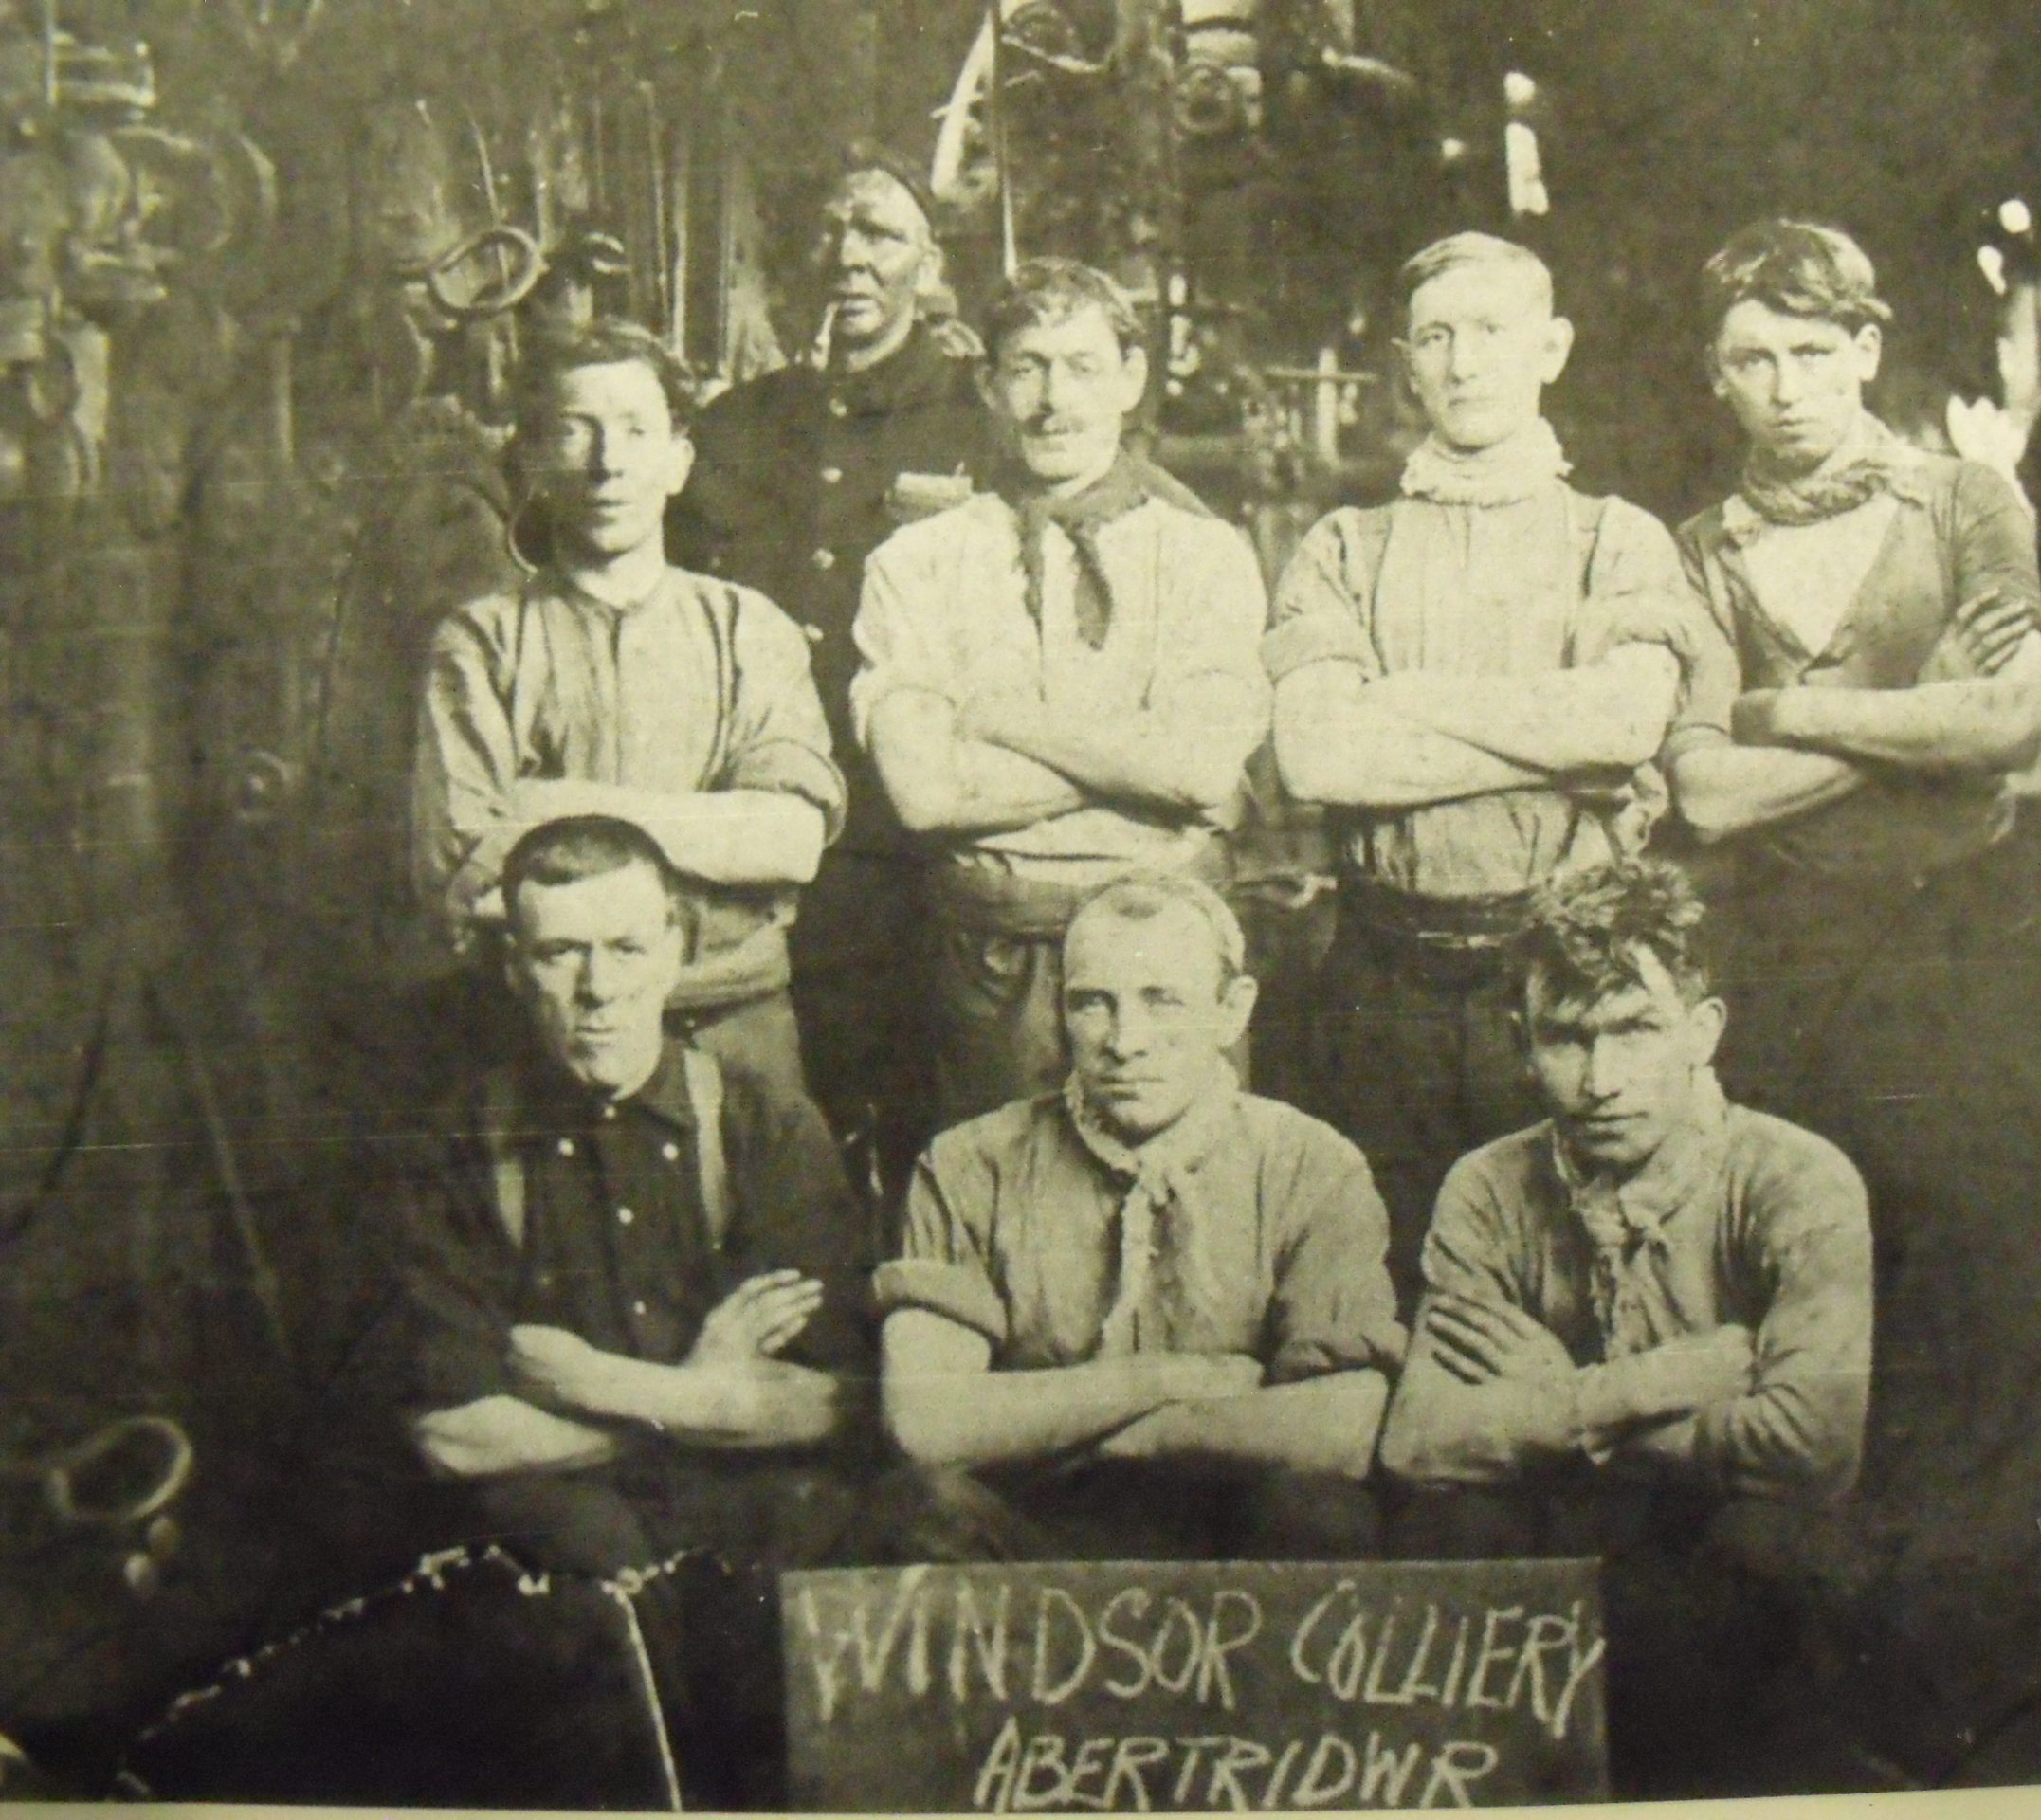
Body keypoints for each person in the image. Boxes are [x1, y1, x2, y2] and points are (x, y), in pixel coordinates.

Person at [1264, 230, 1718, 1298]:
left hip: (1566, 977)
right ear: (1404, 363)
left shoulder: (1617, 539)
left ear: (1551, 348)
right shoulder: (1343, 547)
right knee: (1390, 1273)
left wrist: (1399, 698)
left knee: (1575, 1267)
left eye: (1491, 332)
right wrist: (1545, 740)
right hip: (1382, 979)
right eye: (1436, 338)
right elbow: (1316, 754)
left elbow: (1620, 725)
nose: (1463, 364)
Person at [1378, 860, 1872, 1792]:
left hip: (1713, 1546)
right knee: (1443, 1531)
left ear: (1702, 1032)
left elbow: (1811, 1448)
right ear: (1524, 1045)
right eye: (1568, 1038)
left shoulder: (1796, 1177)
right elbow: (1417, 1444)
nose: (1601, 1081)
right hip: (1555, 1530)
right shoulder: (1485, 1186)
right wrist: (1639, 1387)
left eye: (1635, 1031)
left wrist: (1548, 1409)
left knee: (1767, 1551)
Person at [390, 816, 874, 1577]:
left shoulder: (766, 1124)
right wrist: (697, 1399)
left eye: (627, 949)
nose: (599, 990)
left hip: (752, 1526)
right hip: (566, 1547)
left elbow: (832, 1406)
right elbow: (451, 1439)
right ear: (515, 968)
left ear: (677, 950)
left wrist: (594, 1384)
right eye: (560, 954)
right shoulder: (458, 1145)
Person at [872, 872, 1404, 1560]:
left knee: (1323, 1515)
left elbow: (1345, 1426)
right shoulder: (969, 1163)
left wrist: (1142, 1438)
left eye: (1162, 1001)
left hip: (1233, 1541)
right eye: (1093, 1003)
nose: (1125, 1042)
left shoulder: (1311, 1163)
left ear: (1232, 1011)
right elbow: (925, 1423)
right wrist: (1173, 1380)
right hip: (1033, 1540)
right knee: (921, 1512)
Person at [853, 258, 1269, 1126]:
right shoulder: (917, 562)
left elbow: (1198, 769)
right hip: (992, 970)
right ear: (989, 386)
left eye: (1082, 367)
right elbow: (925, 795)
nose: (1054, 401)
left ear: (1131, 377)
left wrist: (1001, 722)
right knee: (1005, 1185)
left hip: (1169, 954)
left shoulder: (1205, 555)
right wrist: (1135, 767)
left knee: (1186, 1186)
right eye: (1028, 368)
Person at [1663, 219, 2041, 1115]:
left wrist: (1783, 715)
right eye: (1753, 360)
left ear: (1866, 351)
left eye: (1813, 353)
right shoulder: (1702, 551)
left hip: (1969, 934)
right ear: (1716, 374)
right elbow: (1709, 796)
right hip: (1785, 955)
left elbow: (2008, 724)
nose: (1786, 390)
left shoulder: (1965, 500)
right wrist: (1926, 710)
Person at [676, 144, 993, 1208]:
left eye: (880, 234)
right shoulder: (735, 424)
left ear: (928, 262)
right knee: (769, 1120)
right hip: (760, 827)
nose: (850, 258)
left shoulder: (979, 421)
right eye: (831, 233)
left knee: (916, 1126)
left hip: (908, 844)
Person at [413, 321, 845, 1100]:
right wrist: (715, 831)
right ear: (533, 460)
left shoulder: (749, 629)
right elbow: (465, 872)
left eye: (637, 431)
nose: (608, 462)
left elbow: (791, 840)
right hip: (554, 1040)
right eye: (576, 430)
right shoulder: (481, 642)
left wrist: (553, 806)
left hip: (733, 1030)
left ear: (679, 461)